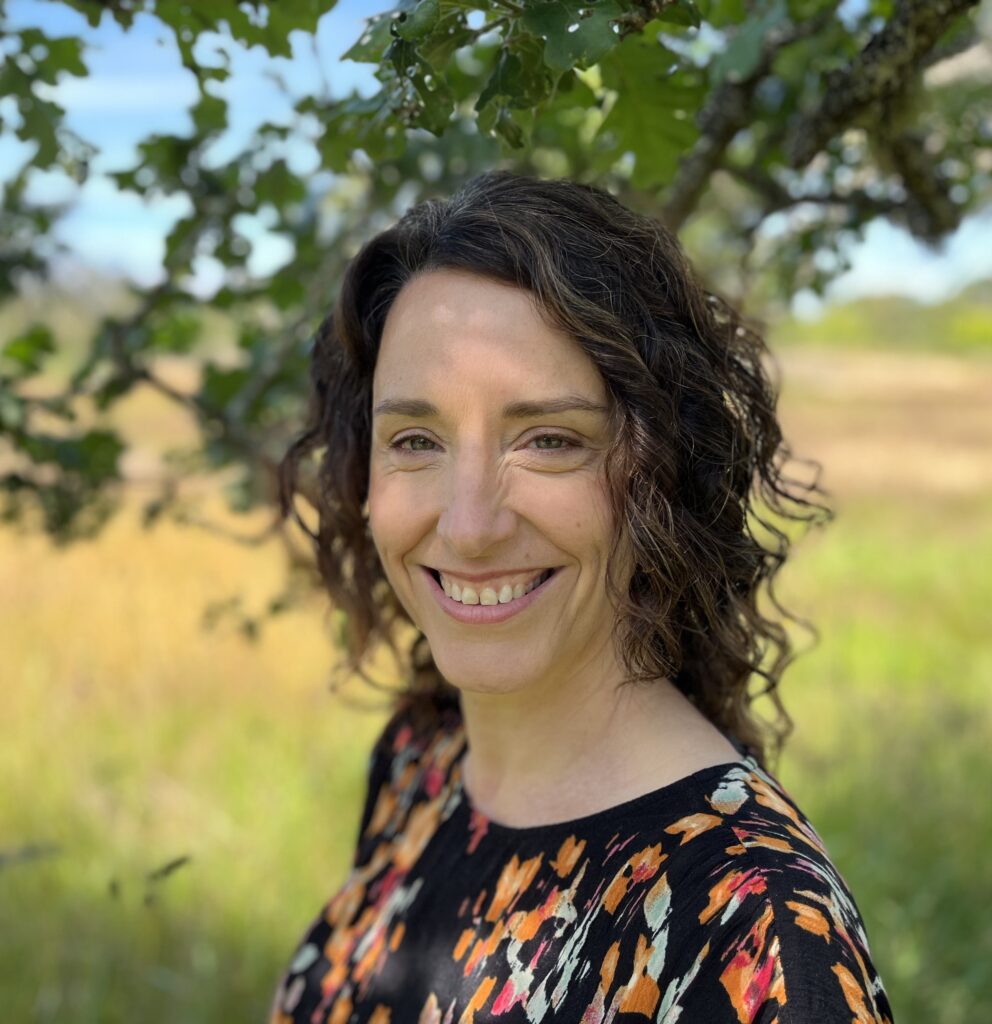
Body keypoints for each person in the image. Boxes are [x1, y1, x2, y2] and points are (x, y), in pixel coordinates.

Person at [272, 171, 893, 1023]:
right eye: (415, 440)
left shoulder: (755, 934)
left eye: (549, 440)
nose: (470, 527)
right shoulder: (424, 757)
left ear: (661, 472)